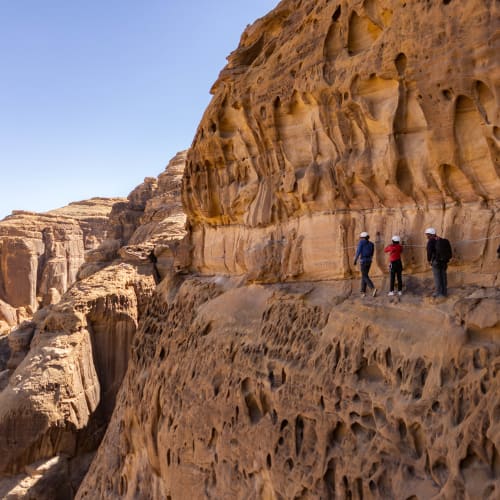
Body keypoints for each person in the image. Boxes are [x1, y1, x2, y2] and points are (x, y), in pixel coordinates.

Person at [425, 227, 451, 297]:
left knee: (437, 278)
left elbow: (429, 252)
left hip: (436, 262)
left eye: (427, 234)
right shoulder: (441, 240)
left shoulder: (431, 241)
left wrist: (429, 260)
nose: (427, 236)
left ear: (431, 234)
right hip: (444, 262)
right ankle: (444, 292)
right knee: (443, 276)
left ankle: (438, 293)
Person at [354, 231, 377, 297]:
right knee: (364, 275)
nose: (360, 239)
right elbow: (372, 253)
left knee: (364, 276)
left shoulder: (361, 242)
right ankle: (363, 292)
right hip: (369, 261)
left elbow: (358, 251)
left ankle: (373, 288)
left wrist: (355, 260)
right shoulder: (371, 244)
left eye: (361, 238)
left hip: (363, 261)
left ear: (363, 238)